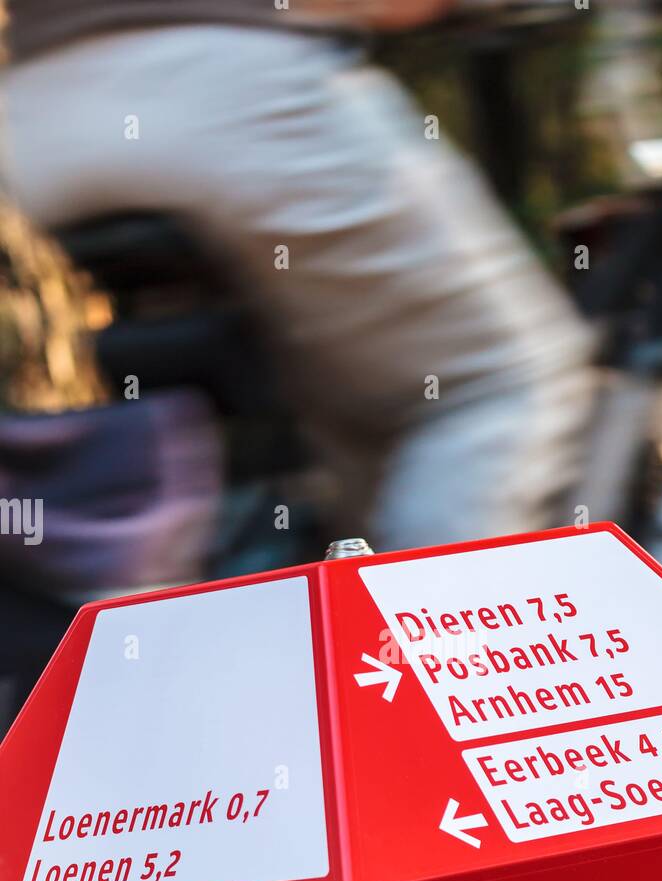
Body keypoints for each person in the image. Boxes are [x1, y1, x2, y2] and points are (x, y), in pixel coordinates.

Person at [0, 0, 597, 552]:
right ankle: (419, 642)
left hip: (27, 119)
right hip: (227, 90)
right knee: (496, 383)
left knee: (355, 409)